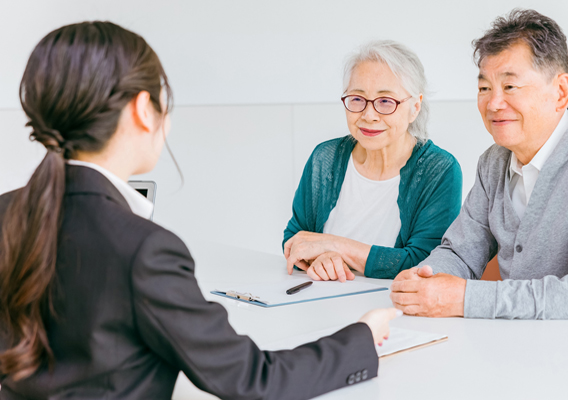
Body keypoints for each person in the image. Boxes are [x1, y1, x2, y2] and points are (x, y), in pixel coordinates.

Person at [0, 22, 399, 400]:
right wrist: (361, 337)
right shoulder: (145, 250)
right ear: (143, 109)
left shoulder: (7, 213)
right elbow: (253, 381)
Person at [390, 9, 568, 327]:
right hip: (531, 338)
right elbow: (461, 251)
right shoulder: (494, 161)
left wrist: (466, 298)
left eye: (510, 87)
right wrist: (425, 280)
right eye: (484, 88)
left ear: (560, 92)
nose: (493, 103)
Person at [283, 40, 463, 282]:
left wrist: (335, 246)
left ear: (415, 107)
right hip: (317, 302)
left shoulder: (438, 170)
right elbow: (295, 238)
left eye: (386, 101)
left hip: (392, 310)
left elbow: (425, 264)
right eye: (357, 99)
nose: (369, 115)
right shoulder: (325, 158)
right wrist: (321, 259)